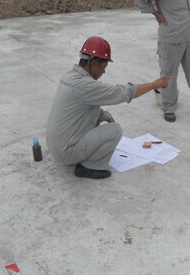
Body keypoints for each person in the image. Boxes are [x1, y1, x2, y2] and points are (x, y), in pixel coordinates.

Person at [46, 36, 169, 180]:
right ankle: (89, 167)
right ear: (94, 63)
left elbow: (84, 106)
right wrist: (154, 85)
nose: (103, 72)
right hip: (66, 153)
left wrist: (106, 116)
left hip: (56, 146)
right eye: (103, 68)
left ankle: (80, 155)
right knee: (115, 130)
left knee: (98, 117)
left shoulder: (69, 77)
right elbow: (123, 92)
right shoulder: (86, 86)